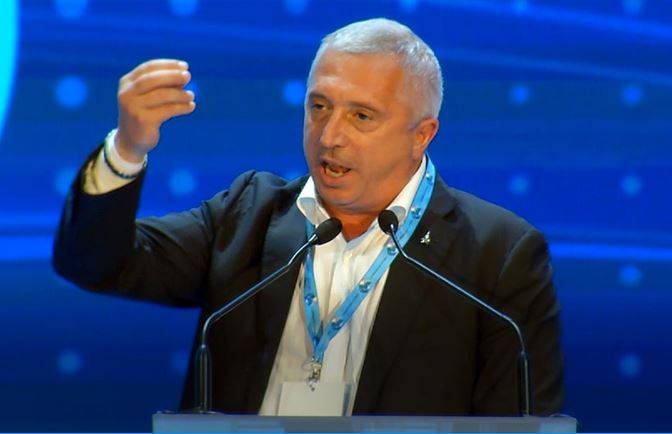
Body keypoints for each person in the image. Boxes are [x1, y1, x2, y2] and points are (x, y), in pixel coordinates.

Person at [53, 18, 564, 416]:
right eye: (319, 107)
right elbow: (95, 263)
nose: (330, 136)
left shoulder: (498, 255)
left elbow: (521, 420)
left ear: (421, 135)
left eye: (361, 116)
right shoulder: (248, 213)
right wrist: (128, 149)